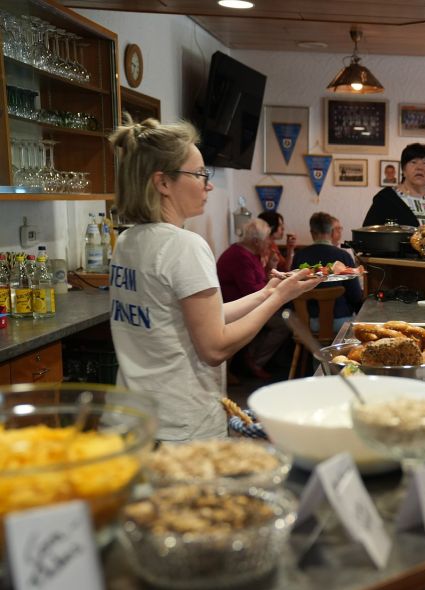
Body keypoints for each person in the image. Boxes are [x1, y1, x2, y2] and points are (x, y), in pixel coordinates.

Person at [107, 118, 318, 442]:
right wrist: (280, 299)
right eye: (199, 174)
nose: (209, 185)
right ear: (163, 183)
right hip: (179, 426)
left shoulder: (127, 241)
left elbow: (200, 317)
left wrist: (268, 292)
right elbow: (215, 347)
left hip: (131, 419)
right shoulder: (184, 246)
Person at [216, 219, 293, 381]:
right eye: (267, 238)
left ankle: (251, 359)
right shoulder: (240, 257)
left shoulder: (250, 254)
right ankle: (254, 362)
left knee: (281, 318)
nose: (269, 242)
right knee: (283, 325)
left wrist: (271, 267)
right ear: (256, 241)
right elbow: (252, 291)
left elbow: (259, 282)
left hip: (248, 304)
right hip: (237, 308)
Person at [292, 212, 364, 333]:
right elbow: (356, 295)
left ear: (312, 233)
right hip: (340, 322)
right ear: (331, 232)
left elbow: (291, 291)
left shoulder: (299, 256)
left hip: (307, 322)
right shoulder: (343, 256)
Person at [363, 143, 425, 227]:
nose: (420, 167)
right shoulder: (386, 199)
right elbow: (368, 234)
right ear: (403, 169)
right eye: (413, 162)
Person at [259, 210, 295, 274]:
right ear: (271, 227)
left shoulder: (272, 244)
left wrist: (290, 249)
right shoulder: (258, 247)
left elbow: (285, 269)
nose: (283, 228)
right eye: (280, 225)